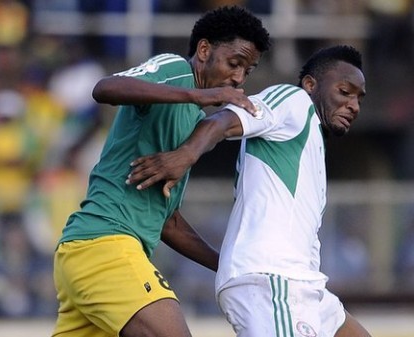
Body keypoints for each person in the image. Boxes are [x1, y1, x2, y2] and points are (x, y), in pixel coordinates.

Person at [51, 6, 271, 337]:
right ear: (204, 50)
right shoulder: (174, 70)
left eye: (247, 71)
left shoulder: (195, 123)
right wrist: (197, 94)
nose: (239, 78)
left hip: (89, 254)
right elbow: (106, 88)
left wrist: (228, 265)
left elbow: (169, 223)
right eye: (234, 63)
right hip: (104, 245)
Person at [127, 45, 372, 337]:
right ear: (310, 84)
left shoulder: (309, 137)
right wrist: (186, 155)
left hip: (306, 285)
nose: (354, 105)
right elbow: (223, 120)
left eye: (359, 98)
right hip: (273, 280)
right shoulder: (294, 101)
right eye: (345, 92)